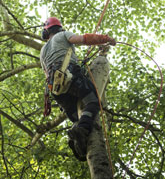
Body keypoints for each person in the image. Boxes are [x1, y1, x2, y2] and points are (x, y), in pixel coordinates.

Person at [40, 17, 116, 161]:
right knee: (93, 102)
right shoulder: (63, 35)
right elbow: (83, 39)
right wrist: (105, 39)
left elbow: (46, 73)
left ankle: (77, 139)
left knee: (77, 116)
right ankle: (81, 131)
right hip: (69, 75)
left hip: (56, 88)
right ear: (58, 28)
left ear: (46, 31)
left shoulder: (42, 51)